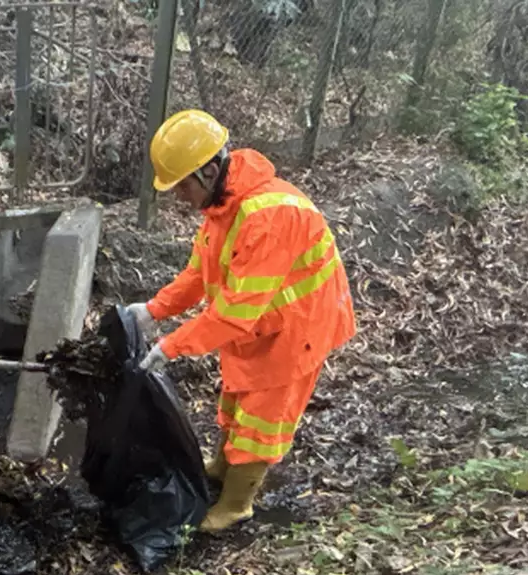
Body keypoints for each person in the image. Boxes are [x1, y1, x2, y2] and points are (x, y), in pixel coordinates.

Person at [127, 109, 356, 533]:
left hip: (297, 329)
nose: (178, 196)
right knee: (234, 398)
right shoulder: (224, 209)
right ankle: (223, 465)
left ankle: (236, 504)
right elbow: (199, 275)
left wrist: (171, 346)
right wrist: (155, 309)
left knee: (262, 418)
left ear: (210, 171)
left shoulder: (268, 218)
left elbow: (234, 313)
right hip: (262, 323)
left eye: (181, 186)